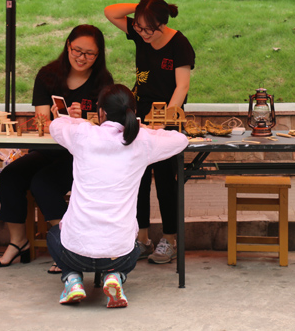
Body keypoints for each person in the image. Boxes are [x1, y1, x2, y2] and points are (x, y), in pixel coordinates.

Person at [47, 84, 189, 307]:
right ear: (133, 112)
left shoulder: (83, 134)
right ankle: (115, 276)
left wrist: (81, 121)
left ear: (101, 112)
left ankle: (72, 280)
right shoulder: (142, 141)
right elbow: (180, 140)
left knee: (54, 235)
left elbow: (55, 125)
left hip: (75, 253)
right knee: (133, 245)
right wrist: (146, 129)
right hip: (119, 254)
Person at [0, 25, 114, 270]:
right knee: (11, 176)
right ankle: (18, 242)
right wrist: (59, 122)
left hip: (81, 155)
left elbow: (106, 126)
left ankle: (66, 246)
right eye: (77, 50)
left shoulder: (103, 82)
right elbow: (41, 121)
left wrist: (81, 120)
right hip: (48, 149)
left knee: (44, 183)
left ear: (98, 54)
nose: (82, 57)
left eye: (89, 54)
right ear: (68, 45)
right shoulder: (48, 75)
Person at [104, 0, 195, 264]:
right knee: (138, 178)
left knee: (165, 180)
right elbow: (110, 12)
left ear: (162, 24)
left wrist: (163, 120)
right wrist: (141, 10)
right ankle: (141, 238)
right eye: (139, 28)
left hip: (167, 117)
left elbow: (182, 86)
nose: (142, 34)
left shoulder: (179, 44)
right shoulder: (139, 31)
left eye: (148, 29)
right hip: (138, 116)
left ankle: (169, 239)